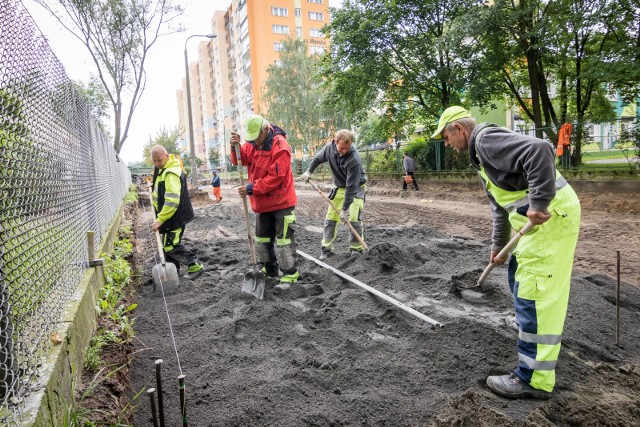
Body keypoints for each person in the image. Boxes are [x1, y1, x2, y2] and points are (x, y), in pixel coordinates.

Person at [432, 106, 581, 400]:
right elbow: (500, 207)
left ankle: (533, 378)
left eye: (447, 137)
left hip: (549, 219)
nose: (447, 144)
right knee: (516, 273)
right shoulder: (481, 155)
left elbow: (540, 149)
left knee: (533, 291)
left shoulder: (485, 141)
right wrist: (497, 247)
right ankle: (525, 323)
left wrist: (538, 203)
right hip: (536, 223)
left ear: (460, 130)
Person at [230, 115, 299, 284]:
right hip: (262, 204)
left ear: (265, 130)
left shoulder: (280, 146)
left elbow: (276, 178)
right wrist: (235, 147)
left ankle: (289, 275)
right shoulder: (254, 143)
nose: (255, 143)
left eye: (257, 138)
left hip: (281, 202)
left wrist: (251, 188)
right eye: (251, 140)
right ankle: (270, 271)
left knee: (283, 241)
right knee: (262, 239)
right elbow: (240, 159)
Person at [298, 129, 367, 260]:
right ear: (335, 142)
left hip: (356, 188)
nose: (345, 151)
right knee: (330, 218)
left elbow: (351, 187)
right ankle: (326, 248)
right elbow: (318, 159)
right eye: (342, 148)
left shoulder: (354, 159)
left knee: (354, 218)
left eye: (348, 148)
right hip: (339, 187)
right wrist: (309, 172)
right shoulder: (329, 148)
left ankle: (356, 249)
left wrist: (345, 209)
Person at [150, 145, 204, 280]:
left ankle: (195, 264)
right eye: (154, 161)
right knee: (167, 244)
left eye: (159, 160)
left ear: (167, 156)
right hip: (169, 216)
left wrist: (160, 219)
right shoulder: (163, 169)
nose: (157, 164)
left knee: (170, 245)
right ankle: (173, 272)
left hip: (175, 217)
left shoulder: (171, 173)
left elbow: (172, 201)